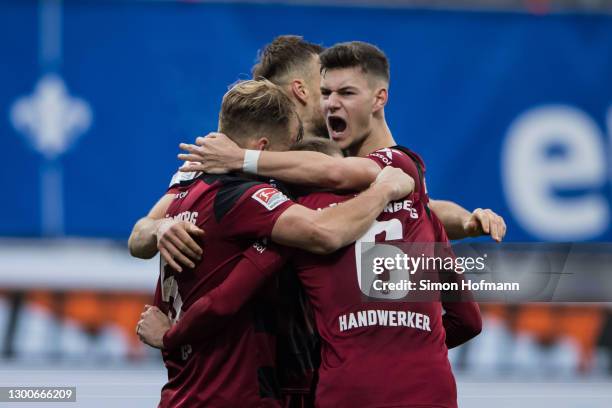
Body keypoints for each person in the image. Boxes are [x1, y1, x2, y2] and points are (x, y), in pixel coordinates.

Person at [140, 137, 482, 407]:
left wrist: (170, 336)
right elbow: (468, 320)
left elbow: (225, 300)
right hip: (429, 387)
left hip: (336, 388)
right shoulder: (421, 215)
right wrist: (410, 347)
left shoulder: (298, 223)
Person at [140, 79, 414, 407]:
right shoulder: (249, 198)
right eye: (286, 152)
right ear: (263, 148)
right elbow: (323, 233)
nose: (287, 169)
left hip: (182, 392)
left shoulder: (186, 191)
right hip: (230, 394)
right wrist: (384, 189)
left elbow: (143, 239)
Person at [128, 35, 505, 273]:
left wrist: (470, 220)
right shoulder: (223, 157)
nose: (332, 97)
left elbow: (420, 208)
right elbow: (140, 234)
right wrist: (161, 228)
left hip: (319, 355)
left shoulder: (339, 157)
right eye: (324, 87)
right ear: (302, 90)